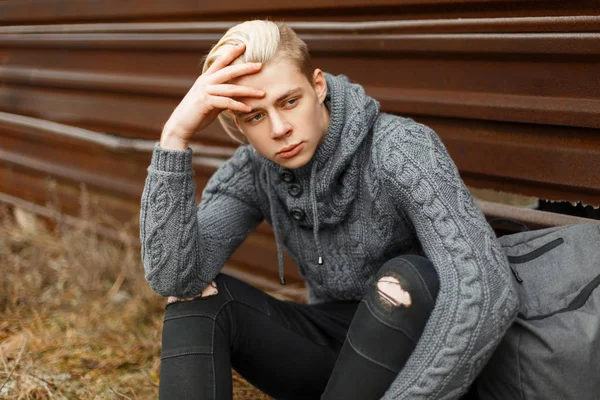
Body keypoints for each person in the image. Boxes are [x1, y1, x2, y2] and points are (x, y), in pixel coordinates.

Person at [140, 20, 519, 400]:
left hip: (423, 357)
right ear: (239, 124)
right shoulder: (255, 171)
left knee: (405, 276)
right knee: (197, 302)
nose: (279, 128)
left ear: (317, 86)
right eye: (255, 116)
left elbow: (486, 286)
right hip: (338, 359)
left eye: (289, 101)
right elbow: (175, 278)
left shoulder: (400, 148)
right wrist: (174, 137)